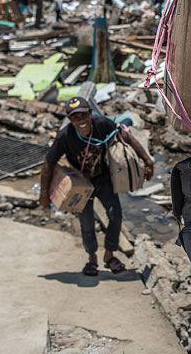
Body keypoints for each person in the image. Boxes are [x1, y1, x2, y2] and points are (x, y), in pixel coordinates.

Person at [39, 97, 154, 275]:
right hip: (81, 184)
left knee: (115, 214)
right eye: (75, 118)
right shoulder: (65, 136)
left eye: (84, 115)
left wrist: (148, 162)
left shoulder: (102, 125)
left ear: (90, 114)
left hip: (103, 177)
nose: (81, 121)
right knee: (86, 222)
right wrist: (44, 194)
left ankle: (109, 255)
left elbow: (126, 136)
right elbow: (48, 163)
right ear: (70, 120)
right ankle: (91, 258)